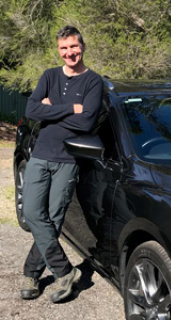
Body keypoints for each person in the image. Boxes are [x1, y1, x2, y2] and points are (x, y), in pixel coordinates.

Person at [20, 25, 103, 303]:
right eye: (64, 48)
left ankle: (31, 272)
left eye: (74, 47)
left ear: (82, 46)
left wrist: (50, 110)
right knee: (32, 213)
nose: (70, 53)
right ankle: (65, 271)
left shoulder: (93, 82)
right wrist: (70, 108)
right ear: (59, 50)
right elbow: (31, 110)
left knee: (53, 220)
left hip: (68, 160)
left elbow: (88, 121)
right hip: (41, 154)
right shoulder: (49, 76)